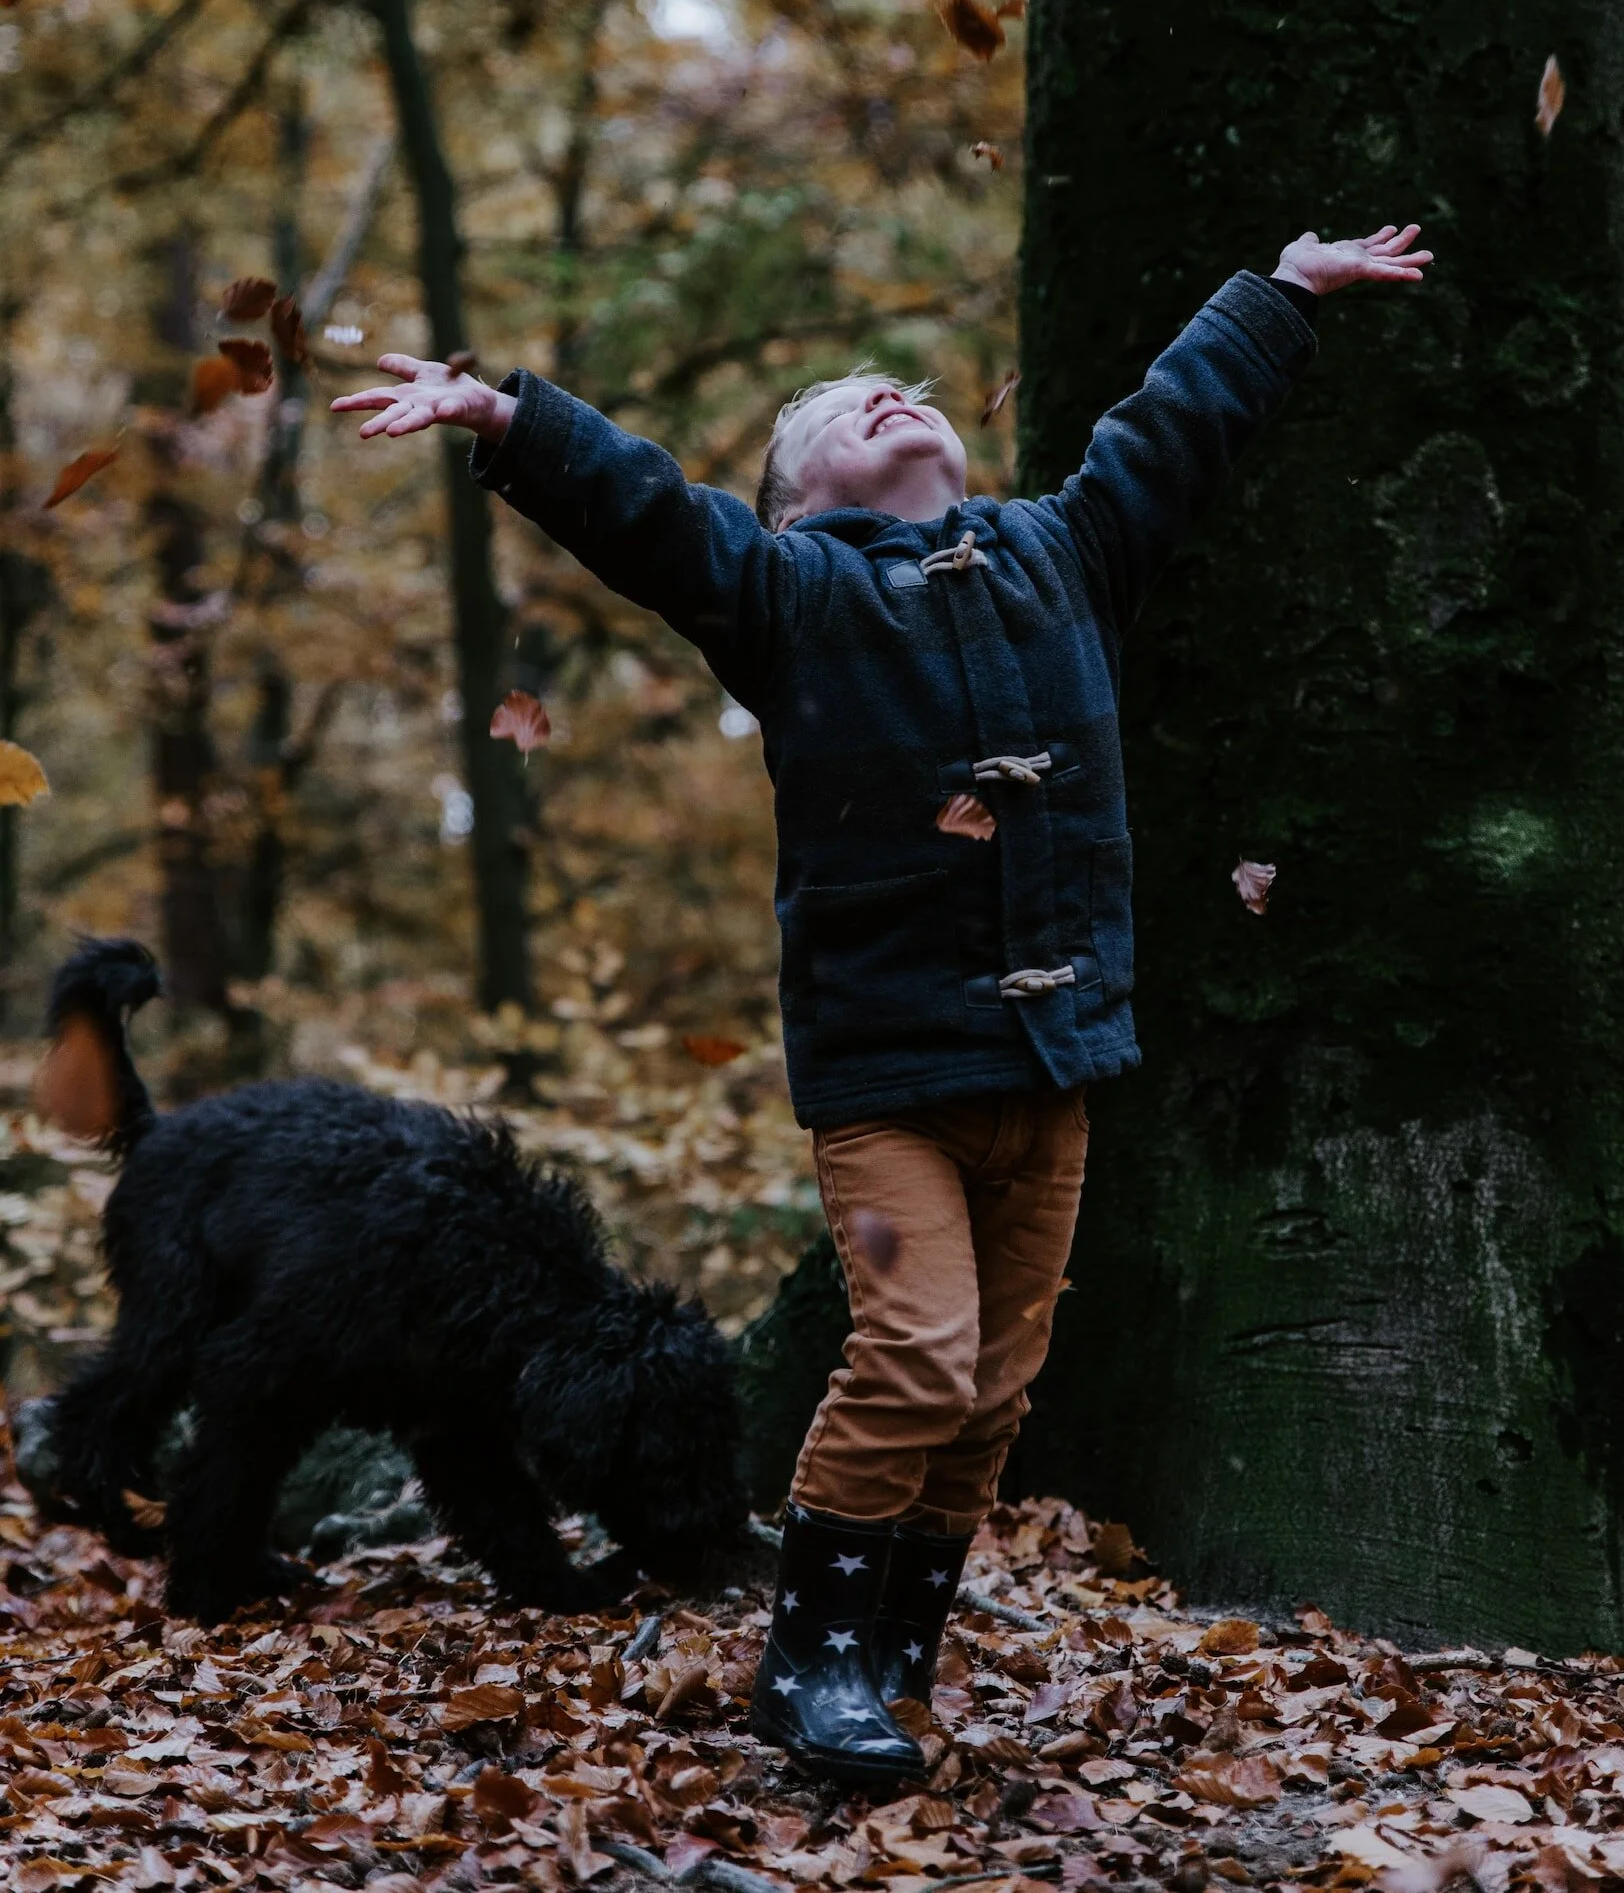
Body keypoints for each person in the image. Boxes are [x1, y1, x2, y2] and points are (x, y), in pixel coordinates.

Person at [332, 223, 1430, 1784]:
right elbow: (649, 517)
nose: (894, 400)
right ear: (798, 503)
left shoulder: (1063, 549)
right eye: (846, 412)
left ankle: (892, 1659)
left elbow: (1171, 425)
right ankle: (811, 1663)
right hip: (892, 1083)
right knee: (913, 1357)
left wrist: (1279, 292)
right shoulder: (788, 598)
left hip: (1051, 1069)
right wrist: (512, 420)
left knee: (989, 1400)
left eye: (909, 388)